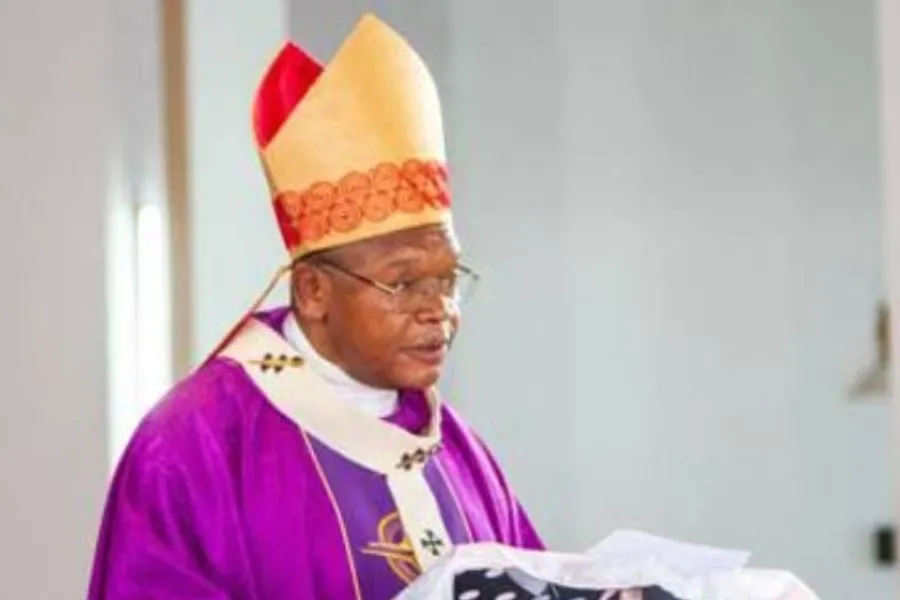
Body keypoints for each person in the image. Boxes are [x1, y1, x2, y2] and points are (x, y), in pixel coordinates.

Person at [87, 13, 542, 600]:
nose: (439, 311)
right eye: (403, 284)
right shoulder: (195, 447)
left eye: (448, 279)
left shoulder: (459, 454)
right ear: (313, 292)